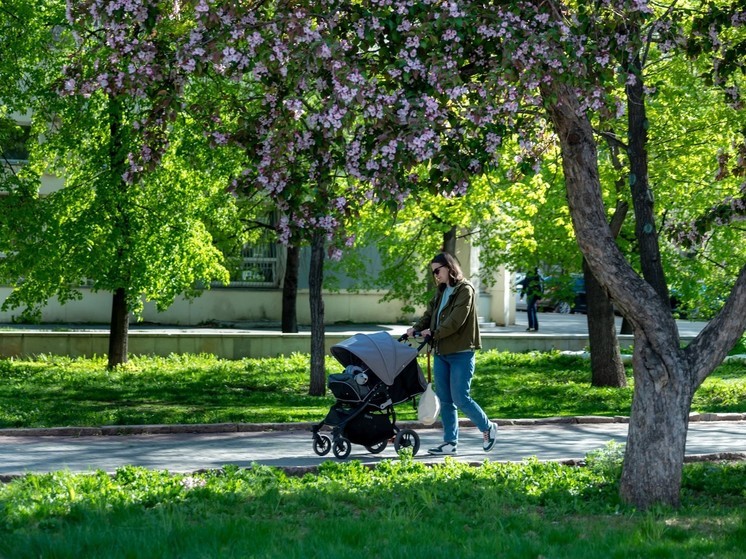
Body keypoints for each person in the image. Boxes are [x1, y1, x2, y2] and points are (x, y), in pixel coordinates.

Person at [406, 252, 497, 455]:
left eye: (438, 270)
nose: (436, 275)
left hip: (461, 352)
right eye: (433, 272)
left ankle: (488, 427)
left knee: (460, 397)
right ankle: (450, 443)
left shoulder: (465, 290)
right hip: (441, 351)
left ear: (449, 267)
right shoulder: (441, 291)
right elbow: (430, 315)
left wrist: (434, 333)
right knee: (446, 400)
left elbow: (456, 321)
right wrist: (416, 328)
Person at [519, 268, 543, 332]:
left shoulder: (530, 275)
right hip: (534, 295)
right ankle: (535, 326)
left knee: (530, 310)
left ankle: (531, 326)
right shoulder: (537, 276)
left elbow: (524, 285)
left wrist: (522, 295)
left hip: (531, 295)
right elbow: (539, 287)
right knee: (533, 310)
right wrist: (539, 297)